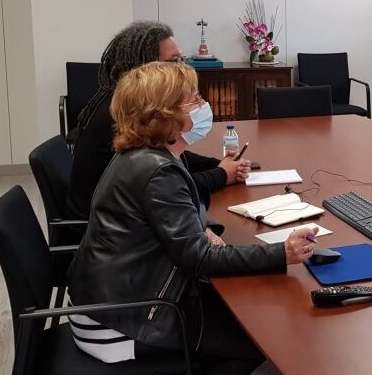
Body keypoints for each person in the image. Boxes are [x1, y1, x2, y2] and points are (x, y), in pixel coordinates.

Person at [67, 62, 319, 375]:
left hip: (111, 301)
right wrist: (282, 252)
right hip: (121, 319)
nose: (204, 105)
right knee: (258, 339)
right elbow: (198, 258)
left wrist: (203, 231)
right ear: (165, 115)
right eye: (194, 99)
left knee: (243, 318)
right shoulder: (157, 171)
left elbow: (170, 229)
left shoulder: (143, 155)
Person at [65, 21, 249, 230]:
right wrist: (222, 174)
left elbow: (165, 156)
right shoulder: (121, 117)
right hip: (113, 233)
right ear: (147, 67)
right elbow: (165, 187)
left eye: (181, 59)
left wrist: (216, 165)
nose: (181, 68)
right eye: (173, 62)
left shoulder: (124, 102)